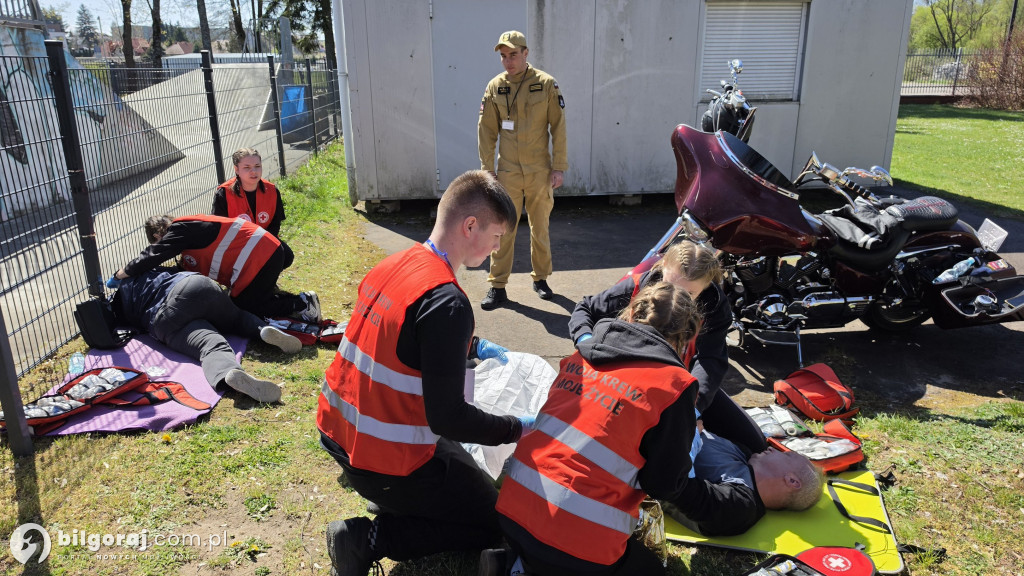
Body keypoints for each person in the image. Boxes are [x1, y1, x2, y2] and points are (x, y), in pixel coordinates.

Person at [318, 170, 529, 576]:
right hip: (384, 456)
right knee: (494, 520)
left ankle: (395, 499)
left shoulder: (398, 263)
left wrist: (471, 347)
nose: (498, 248)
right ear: (470, 226)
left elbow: (405, 339)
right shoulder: (447, 303)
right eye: (497, 237)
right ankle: (367, 539)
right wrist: (517, 427)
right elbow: (449, 418)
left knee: (465, 479)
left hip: (342, 433)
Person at [490, 282, 763, 576]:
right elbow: (666, 484)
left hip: (511, 513)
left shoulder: (580, 356)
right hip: (575, 541)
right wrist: (736, 508)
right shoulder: (673, 386)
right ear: (688, 337)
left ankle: (516, 565)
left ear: (631, 313)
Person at [569, 240, 766, 453]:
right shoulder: (637, 286)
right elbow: (585, 308)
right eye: (669, 286)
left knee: (755, 444)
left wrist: (692, 410)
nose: (676, 299)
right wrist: (588, 345)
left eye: (689, 295)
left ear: (707, 286)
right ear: (662, 269)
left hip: (678, 387)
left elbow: (710, 362)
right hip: (626, 380)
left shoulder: (713, 307)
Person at [109, 268, 302, 403]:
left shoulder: (123, 302)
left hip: (165, 316)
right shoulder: (149, 268)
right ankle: (261, 330)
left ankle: (228, 373)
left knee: (210, 345)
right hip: (193, 286)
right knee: (236, 318)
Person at [478, 30, 568, 310]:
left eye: (513, 54)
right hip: (508, 172)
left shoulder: (546, 84)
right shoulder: (495, 87)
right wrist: (487, 169)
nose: (508, 61)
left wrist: (559, 167)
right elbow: (486, 131)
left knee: (539, 227)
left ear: (526, 53)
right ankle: (497, 286)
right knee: (502, 229)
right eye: (504, 56)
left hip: (540, 171)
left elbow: (559, 127)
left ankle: (540, 279)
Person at [110, 214, 320, 322]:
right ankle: (278, 296)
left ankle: (301, 305)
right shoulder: (192, 228)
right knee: (243, 300)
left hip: (261, 256)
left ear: (157, 237)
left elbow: (153, 255)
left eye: (158, 241)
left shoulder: (178, 230)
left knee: (245, 307)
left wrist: (121, 274)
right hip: (269, 250)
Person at [664, 428, 824, 537]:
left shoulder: (740, 508)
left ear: (792, 480)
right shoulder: (747, 455)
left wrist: (691, 433)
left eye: (787, 456)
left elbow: (672, 484)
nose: (774, 449)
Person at [212, 148, 294, 269]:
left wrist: (262, 244)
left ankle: (267, 280)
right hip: (235, 245)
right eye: (247, 167)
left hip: (264, 240)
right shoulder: (224, 193)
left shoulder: (271, 190)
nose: (253, 171)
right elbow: (218, 228)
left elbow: (275, 223)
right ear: (236, 169)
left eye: (257, 166)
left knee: (286, 256)